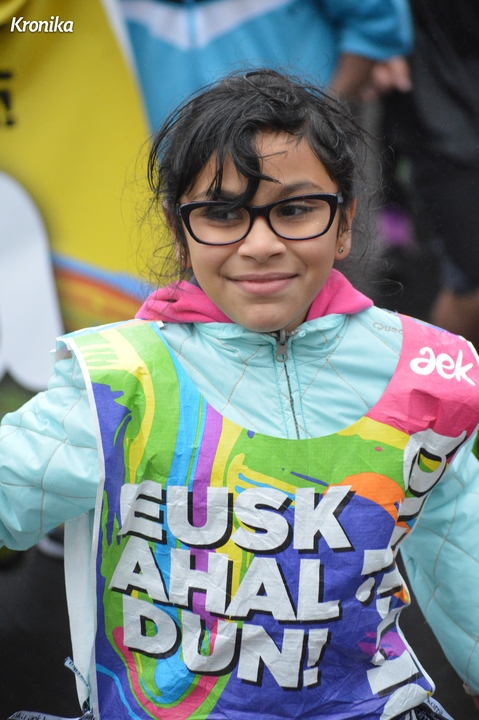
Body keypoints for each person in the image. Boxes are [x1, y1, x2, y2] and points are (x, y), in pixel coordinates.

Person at [1, 70, 478, 720]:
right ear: (179, 231)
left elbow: (460, 558)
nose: (260, 244)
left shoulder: (424, 373)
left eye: (295, 209)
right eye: (222, 213)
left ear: (344, 223)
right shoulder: (118, 381)